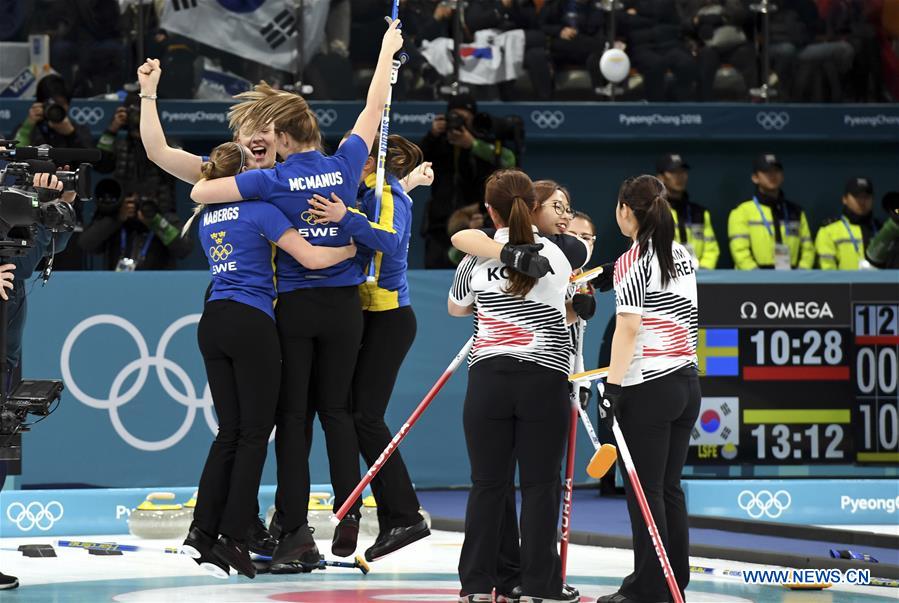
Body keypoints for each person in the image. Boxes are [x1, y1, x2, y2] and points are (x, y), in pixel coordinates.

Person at [190, 18, 404, 563]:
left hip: (294, 308)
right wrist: (385, 51)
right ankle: (349, 511)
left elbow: (201, 188)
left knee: (291, 422)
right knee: (337, 411)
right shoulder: (343, 165)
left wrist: (240, 171)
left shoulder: (272, 181)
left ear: (283, 138)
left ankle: (293, 532)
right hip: (345, 308)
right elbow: (372, 109)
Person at [182, 142, 357, 579]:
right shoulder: (261, 212)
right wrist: (351, 250)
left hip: (213, 321)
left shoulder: (207, 217)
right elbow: (313, 258)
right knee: (256, 434)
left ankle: (200, 534)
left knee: (230, 433)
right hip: (251, 322)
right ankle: (233, 537)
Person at [137, 57, 281, 556]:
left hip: (247, 311)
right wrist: (149, 93)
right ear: (238, 140)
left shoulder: (286, 178)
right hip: (249, 311)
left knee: (242, 430)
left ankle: (227, 524)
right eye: (247, 130)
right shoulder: (218, 176)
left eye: (266, 128)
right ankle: (238, 525)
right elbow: (157, 151)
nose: (256, 137)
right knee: (250, 430)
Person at [448, 169, 589, 603]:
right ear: (532, 207)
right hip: (543, 381)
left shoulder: (478, 255)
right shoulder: (559, 255)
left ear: (489, 210)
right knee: (540, 486)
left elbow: (456, 307)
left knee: (487, 485)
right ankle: (540, 586)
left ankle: (475, 584)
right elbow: (572, 297)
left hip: (488, 379)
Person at [307, 134, 434, 562]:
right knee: (353, 413)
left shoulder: (386, 192)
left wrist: (345, 216)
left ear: (375, 161)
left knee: (365, 415)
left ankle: (404, 514)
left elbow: (390, 240)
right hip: (368, 316)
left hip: (389, 317)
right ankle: (397, 513)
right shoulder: (375, 192)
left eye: (355, 151)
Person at [595, 175, 700, 603]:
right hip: (686, 383)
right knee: (668, 486)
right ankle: (675, 578)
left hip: (648, 385)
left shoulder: (634, 262)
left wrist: (611, 389)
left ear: (625, 210)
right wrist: (605, 274)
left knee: (645, 490)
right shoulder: (681, 253)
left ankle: (649, 587)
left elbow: (628, 329)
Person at [420, 94, 518, 268]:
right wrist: (433, 135)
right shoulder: (437, 141)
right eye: (454, 117)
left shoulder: (483, 140)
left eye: (464, 119)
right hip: (438, 225)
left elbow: (509, 162)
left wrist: (472, 144)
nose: (458, 123)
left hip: (474, 221)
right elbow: (415, 161)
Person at [728, 154, 815, 270]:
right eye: (766, 172)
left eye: (776, 171)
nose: (772, 176)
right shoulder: (742, 212)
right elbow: (739, 251)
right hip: (754, 281)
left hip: (792, 279)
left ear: (782, 176)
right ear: (755, 178)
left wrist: (800, 275)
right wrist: (757, 277)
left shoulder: (796, 211)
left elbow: (808, 249)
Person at [656, 153, 719, 269]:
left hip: (699, 278)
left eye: (682, 171)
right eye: (672, 172)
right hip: (667, 278)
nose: (679, 176)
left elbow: (711, 249)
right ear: (660, 177)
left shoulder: (700, 212)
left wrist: (703, 272)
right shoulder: (653, 212)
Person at [815, 177, 881, 270]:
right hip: (842, 284)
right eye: (857, 197)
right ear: (845, 199)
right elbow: (827, 270)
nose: (862, 202)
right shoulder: (828, 230)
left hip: (881, 283)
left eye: (866, 197)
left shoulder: (882, 229)